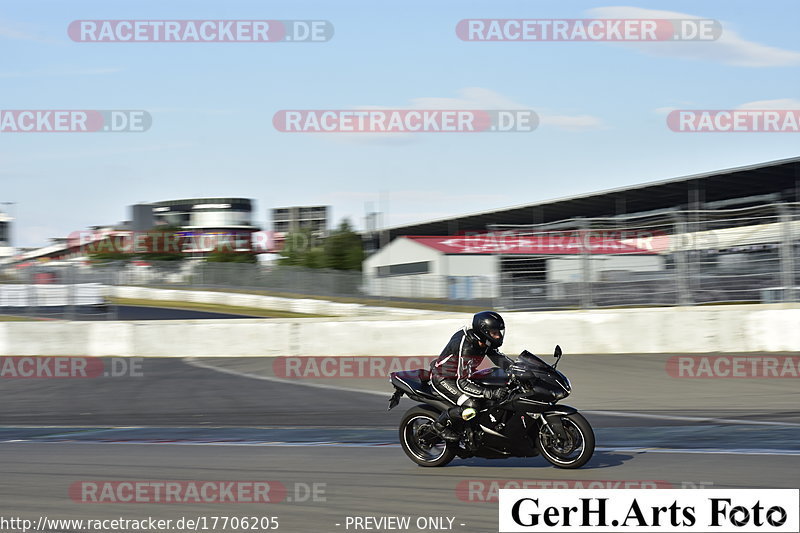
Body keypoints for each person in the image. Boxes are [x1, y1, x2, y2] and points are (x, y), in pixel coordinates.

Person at [429, 311, 514, 441]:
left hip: (463, 375)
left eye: (499, 332)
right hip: (445, 378)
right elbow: (462, 383)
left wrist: (520, 370)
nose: (498, 336)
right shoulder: (466, 346)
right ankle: (439, 425)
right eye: (494, 333)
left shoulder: (483, 340)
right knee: (472, 405)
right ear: (483, 331)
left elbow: (499, 359)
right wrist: (490, 393)